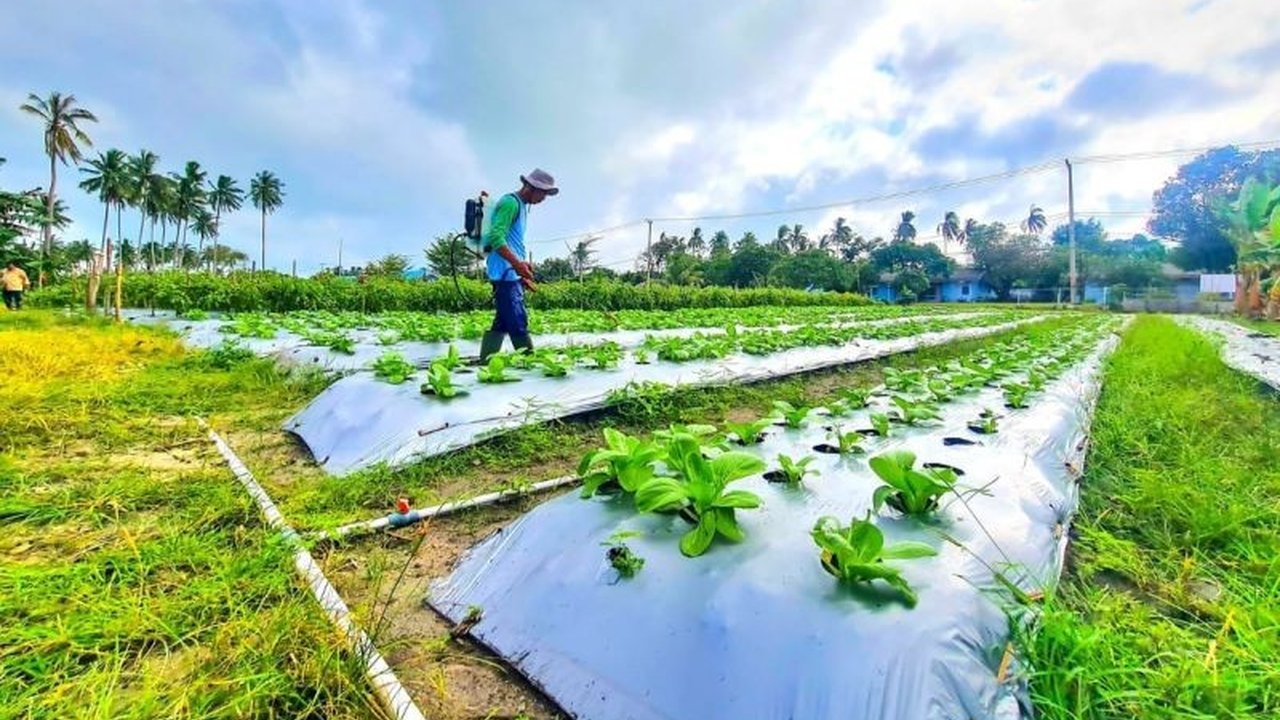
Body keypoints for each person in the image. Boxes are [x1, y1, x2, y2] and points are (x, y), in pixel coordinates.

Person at [478, 168, 559, 360]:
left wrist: (522, 273)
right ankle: (530, 363)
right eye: (543, 194)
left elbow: (512, 241)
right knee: (517, 320)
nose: (543, 199)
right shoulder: (510, 203)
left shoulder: (522, 206)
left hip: (511, 273)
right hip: (504, 273)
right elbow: (496, 237)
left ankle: (485, 362)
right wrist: (517, 266)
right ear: (532, 187)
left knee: (503, 322)